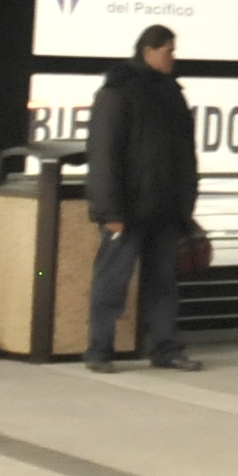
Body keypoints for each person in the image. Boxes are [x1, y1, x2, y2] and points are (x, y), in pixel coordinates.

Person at [82, 24, 205, 373]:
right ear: (148, 50)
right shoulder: (118, 92)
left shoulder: (171, 92)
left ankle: (165, 348)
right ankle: (99, 349)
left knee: (164, 282)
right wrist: (109, 210)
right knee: (112, 279)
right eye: (168, 50)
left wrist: (185, 204)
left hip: (165, 209)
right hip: (129, 210)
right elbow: (103, 154)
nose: (173, 57)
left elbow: (185, 153)